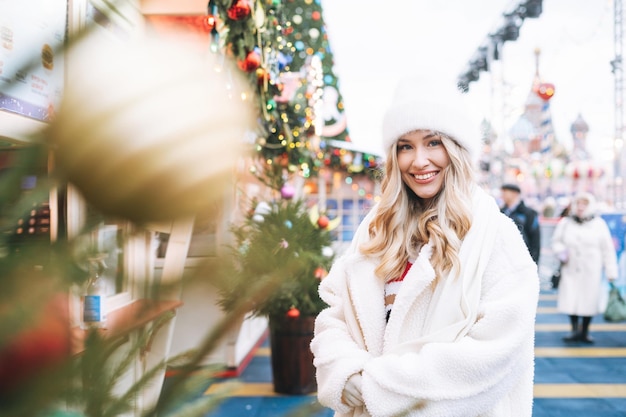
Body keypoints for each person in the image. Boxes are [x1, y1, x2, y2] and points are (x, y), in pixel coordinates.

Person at [310, 80, 540, 417]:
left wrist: (378, 387)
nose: (419, 161)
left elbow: (496, 350)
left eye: (433, 142)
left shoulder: (495, 235)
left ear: (457, 150)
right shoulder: (375, 229)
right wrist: (345, 370)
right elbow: (335, 313)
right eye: (405, 146)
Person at [551, 191, 618, 344]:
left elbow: (607, 249)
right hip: (571, 268)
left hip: (591, 269)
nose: (581, 207)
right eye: (578, 203)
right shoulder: (566, 223)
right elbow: (556, 241)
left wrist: (611, 271)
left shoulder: (599, 225)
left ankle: (585, 330)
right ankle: (574, 329)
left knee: (588, 300)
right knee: (571, 298)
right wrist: (561, 251)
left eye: (584, 204)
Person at [500, 183, 541, 264]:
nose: (502, 195)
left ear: (515, 193)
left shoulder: (529, 214)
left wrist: (533, 263)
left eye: (505, 192)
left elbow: (535, 242)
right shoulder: (501, 212)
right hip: (503, 262)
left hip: (522, 261)